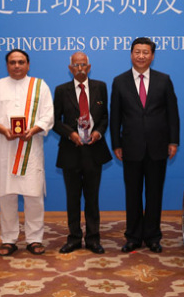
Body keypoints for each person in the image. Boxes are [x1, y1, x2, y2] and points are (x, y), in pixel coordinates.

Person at [110, 37, 180, 253]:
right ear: (131, 54)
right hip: (130, 146)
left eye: (146, 52)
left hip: (158, 146)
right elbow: (115, 116)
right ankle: (132, 236)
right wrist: (116, 143)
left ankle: (152, 236)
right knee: (132, 194)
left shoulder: (164, 80)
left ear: (152, 55)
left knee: (154, 194)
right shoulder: (119, 81)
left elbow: (172, 114)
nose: (141, 56)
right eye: (137, 52)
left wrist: (173, 141)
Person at [0, 49, 54, 256]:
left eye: (21, 62)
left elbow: (49, 115)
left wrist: (34, 129)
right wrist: (2, 129)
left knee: (33, 196)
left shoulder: (40, 86)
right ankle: (9, 238)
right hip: (5, 149)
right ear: (7, 65)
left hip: (31, 149)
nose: (17, 66)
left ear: (28, 65)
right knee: (7, 195)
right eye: (12, 62)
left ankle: (34, 239)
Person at [53, 52, 112, 254]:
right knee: (73, 197)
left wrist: (98, 132)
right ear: (70, 68)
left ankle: (94, 239)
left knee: (92, 197)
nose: (79, 69)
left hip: (94, 150)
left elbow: (105, 117)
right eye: (76, 65)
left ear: (89, 67)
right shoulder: (61, 90)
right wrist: (70, 134)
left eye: (83, 65)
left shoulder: (100, 87)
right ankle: (74, 238)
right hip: (71, 150)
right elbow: (55, 120)